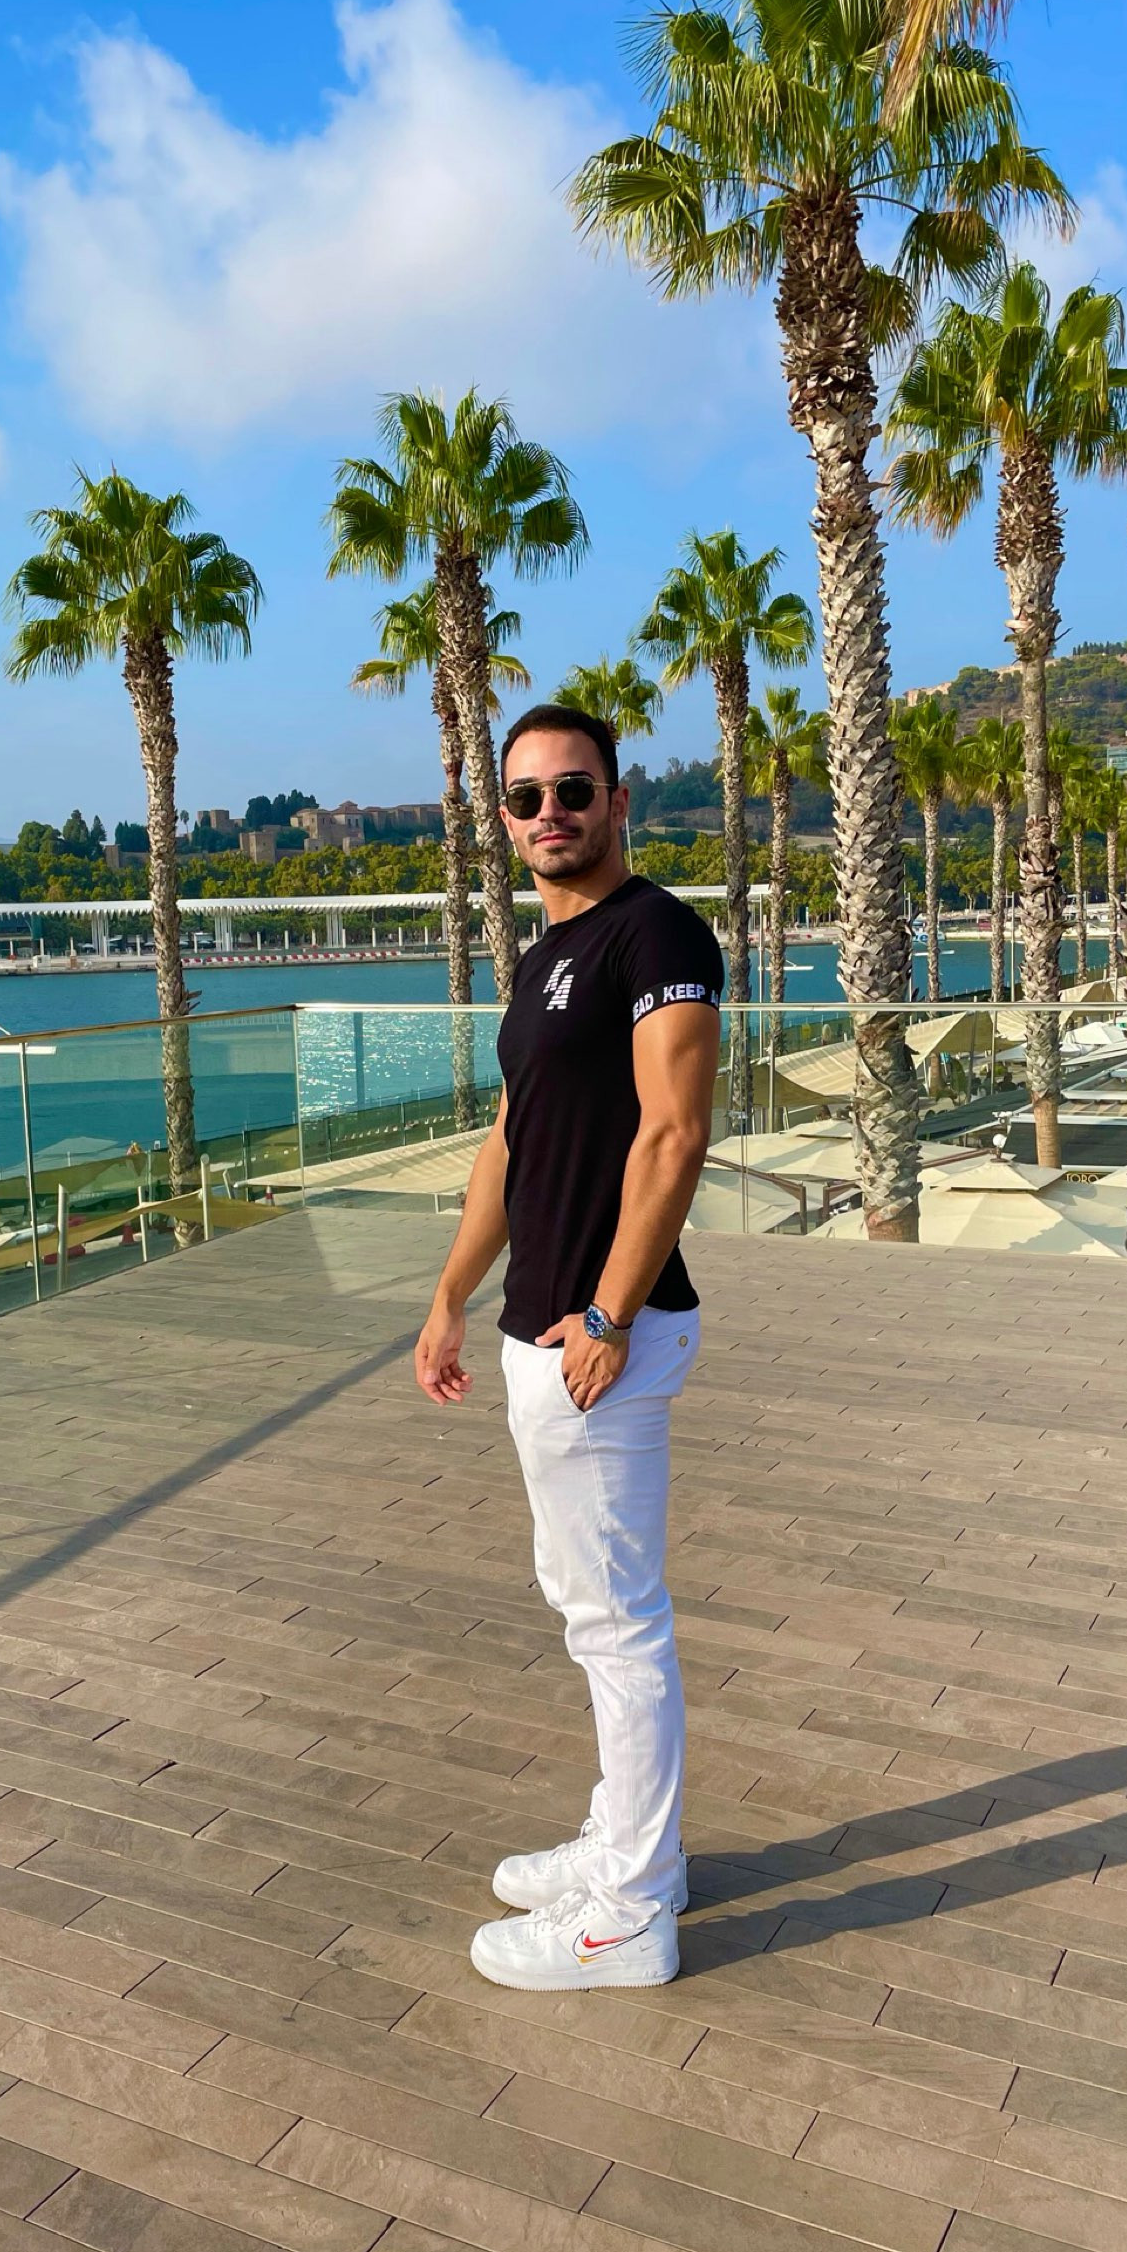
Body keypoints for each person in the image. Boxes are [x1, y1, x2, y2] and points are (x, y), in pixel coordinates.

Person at [415, 702, 723, 1990]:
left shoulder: (657, 934)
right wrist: (450, 1293)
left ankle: (632, 1914)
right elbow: (510, 1140)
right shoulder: (545, 957)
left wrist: (608, 1314)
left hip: (601, 1337)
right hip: (543, 1330)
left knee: (617, 1622)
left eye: (575, 790)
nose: (552, 814)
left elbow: (675, 1132)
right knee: (586, 1605)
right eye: (527, 797)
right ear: (504, 819)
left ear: (618, 800)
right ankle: (626, 1846)